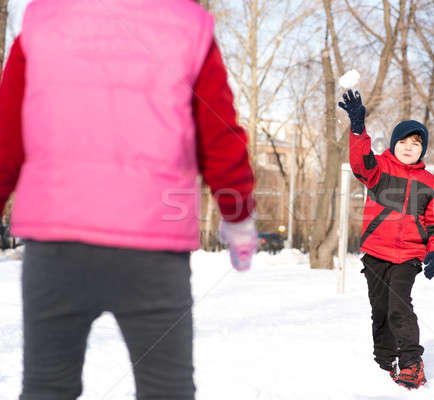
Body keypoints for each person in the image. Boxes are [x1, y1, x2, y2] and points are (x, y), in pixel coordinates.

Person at [0, 1, 256, 399]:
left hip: (56, 247)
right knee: (166, 390)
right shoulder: (187, 25)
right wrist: (238, 217)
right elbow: (220, 136)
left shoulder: (44, 19)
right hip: (152, 251)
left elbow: (6, 140)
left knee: (47, 388)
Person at [338, 90, 434, 390]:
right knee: (381, 309)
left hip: (409, 256)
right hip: (375, 253)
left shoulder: (430, 183)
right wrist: (358, 128)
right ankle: (385, 359)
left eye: (416, 144)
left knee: (399, 306)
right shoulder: (380, 170)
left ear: (422, 150)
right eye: (404, 142)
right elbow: (360, 163)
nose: (410, 148)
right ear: (393, 145)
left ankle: (412, 363)